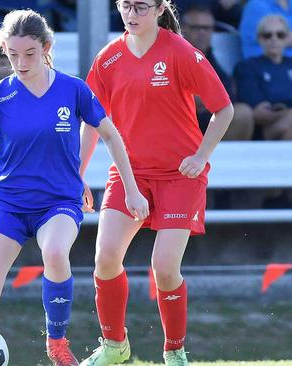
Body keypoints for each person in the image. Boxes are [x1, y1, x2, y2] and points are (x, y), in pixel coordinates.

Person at [0, 9, 148, 366]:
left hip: (59, 202)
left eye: (29, 54)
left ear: (46, 47)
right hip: (9, 205)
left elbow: (110, 135)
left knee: (54, 253)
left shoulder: (73, 89)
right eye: (12, 54)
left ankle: (57, 343)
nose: (20, 62)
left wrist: (131, 189)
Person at [81, 1, 234, 365]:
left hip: (180, 176)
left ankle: (174, 351)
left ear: (161, 6)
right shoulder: (108, 58)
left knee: (165, 269)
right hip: (128, 174)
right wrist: (77, 175)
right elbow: (91, 120)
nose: (132, 14)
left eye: (142, 6)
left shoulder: (181, 52)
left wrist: (200, 156)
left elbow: (223, 108)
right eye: (125, 6)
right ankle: (114, 347)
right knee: (105, 258)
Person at [181, 5, 254, 140]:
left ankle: (217, 160)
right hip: (179, 123)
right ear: (183, 29)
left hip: (208, 121)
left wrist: (204, 100)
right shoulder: (171, 53)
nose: (202, 33)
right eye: (196, 28)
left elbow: (228, 93)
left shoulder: (208, 56)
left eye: (207, 28)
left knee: (243, 113)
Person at [234, 14, 292, 141]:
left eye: (280, 35)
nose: (274, 39)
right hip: (261, 132)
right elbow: (261, 114)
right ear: (259, 38)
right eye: (267, 35)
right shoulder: (246, 67)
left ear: (287, 38)